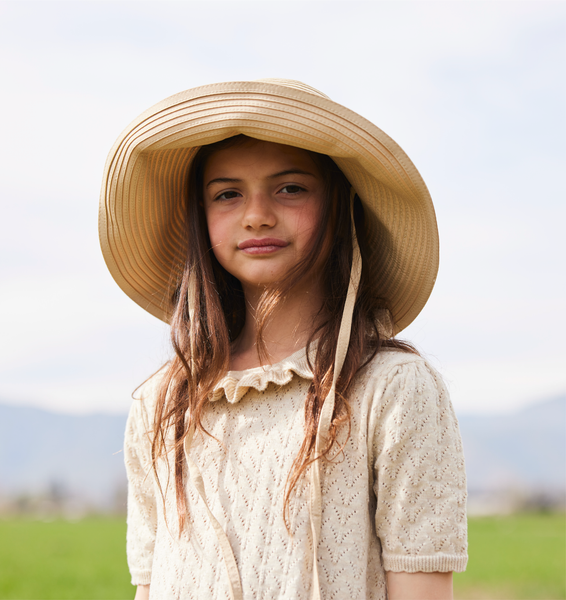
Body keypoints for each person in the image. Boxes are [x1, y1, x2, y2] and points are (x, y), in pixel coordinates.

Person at [99, 79, 468, 600]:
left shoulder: (395, 390)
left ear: (339, 206)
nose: (256, 215)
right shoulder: (162, 403)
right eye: (227, 194)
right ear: (200, 221)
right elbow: (152, 585)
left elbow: (421, 590)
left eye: (290, 188)